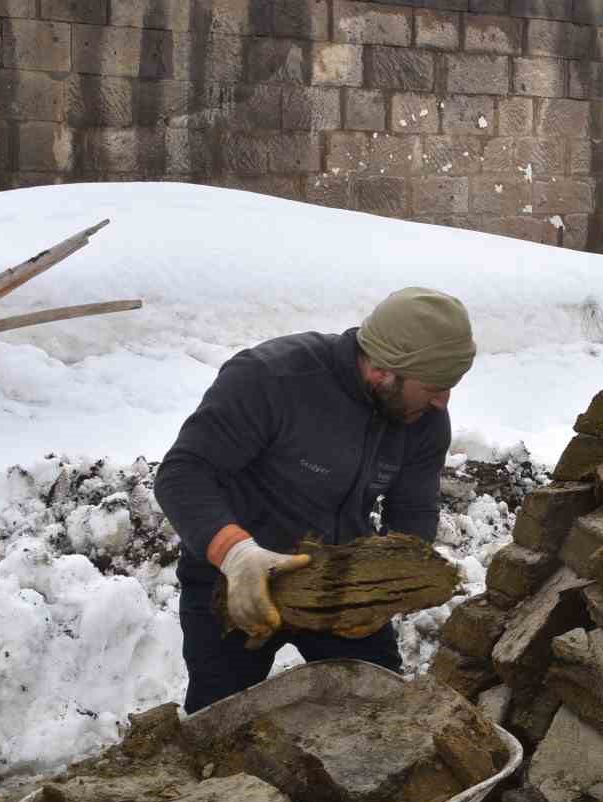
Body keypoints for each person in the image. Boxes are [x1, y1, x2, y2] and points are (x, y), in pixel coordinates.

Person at [154, 287, 475, 714]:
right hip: (236, 577)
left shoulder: (422, 418)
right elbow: (183, 473)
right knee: (221, 723)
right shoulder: (272, 378)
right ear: (383, 370)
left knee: (382, 718)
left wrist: (389, 585)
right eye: (435, 386)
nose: (443, 400)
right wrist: (235, 554)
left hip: (340, 584)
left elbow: (412, 509)